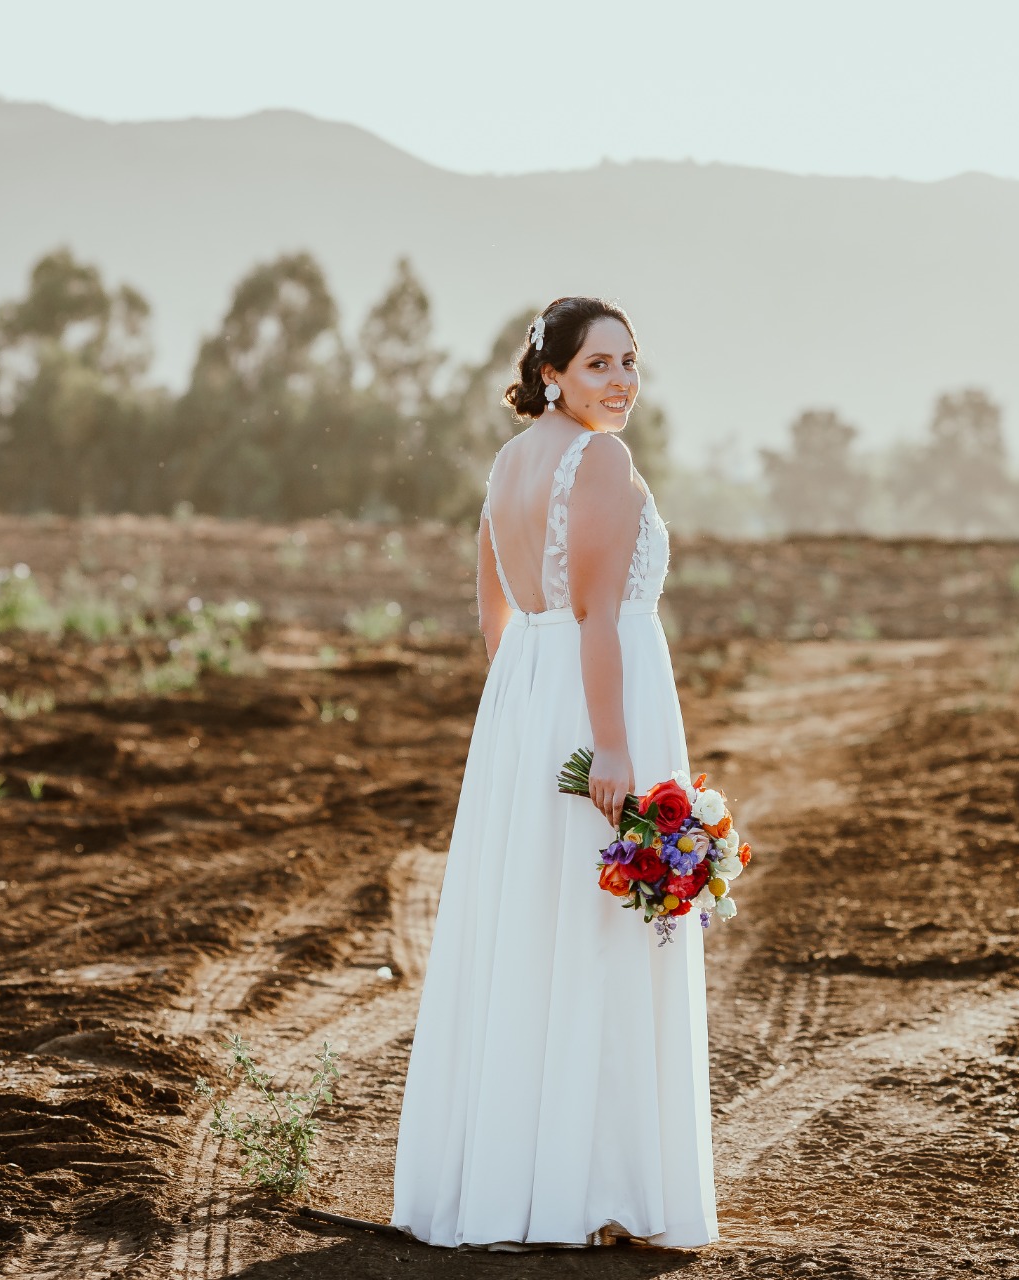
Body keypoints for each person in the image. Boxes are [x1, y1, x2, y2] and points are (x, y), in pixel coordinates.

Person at [391, 297, 717, 1250]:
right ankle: (593, 1188)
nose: (620, 381)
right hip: (597, 700)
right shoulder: (599, 460)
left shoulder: (508, 462)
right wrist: (609, 745)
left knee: (533, 924)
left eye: (629, 361)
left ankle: (515, 1179)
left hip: (532, 702)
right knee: (597, 930)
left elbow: (495, 610)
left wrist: (526, 713)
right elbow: (599, 616)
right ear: (551, 375)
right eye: (597, 365)